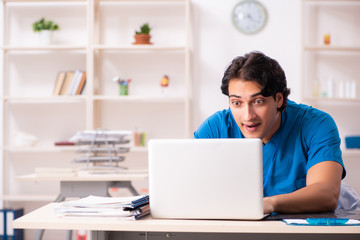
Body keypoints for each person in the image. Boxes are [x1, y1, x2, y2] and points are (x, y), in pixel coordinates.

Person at [194, 51, 346, 214]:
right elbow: (187, 184)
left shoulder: (316, 125)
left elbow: (326, 195)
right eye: (237, 103)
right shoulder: (215, 129)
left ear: (279, 99)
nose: (248, 116)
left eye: (258, 101)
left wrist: (269, 204)